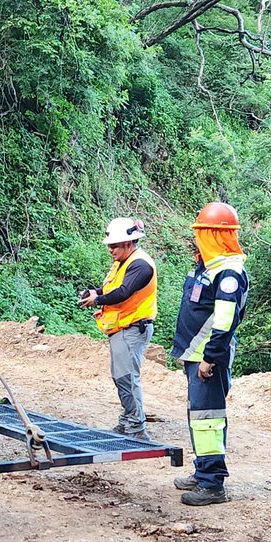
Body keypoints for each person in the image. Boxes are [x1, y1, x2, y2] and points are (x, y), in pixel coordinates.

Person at [171, 201, 250, 506]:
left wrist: (209, 357)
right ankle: (202, 471)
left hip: (208, 358)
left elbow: (225, 321)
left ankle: (212, 483)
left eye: (202, 232)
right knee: (199, 418)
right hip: (195, 354)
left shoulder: (229, 274)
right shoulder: (209, 265)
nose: (197, 238)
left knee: (208, 420)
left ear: (216, 235)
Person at [79, 216, 157, 438]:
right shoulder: (122, 263)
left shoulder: (140, 265)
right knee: (121, 377)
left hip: (133, 327)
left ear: (128, 243)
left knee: (126, 377)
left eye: (114, 245)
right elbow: (111, 288)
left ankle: (137, 428)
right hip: (122, 328)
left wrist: (97, 300)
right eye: (109, 245)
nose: (110, 249)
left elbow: (123, 292)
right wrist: (96, 292)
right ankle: (127, 422)